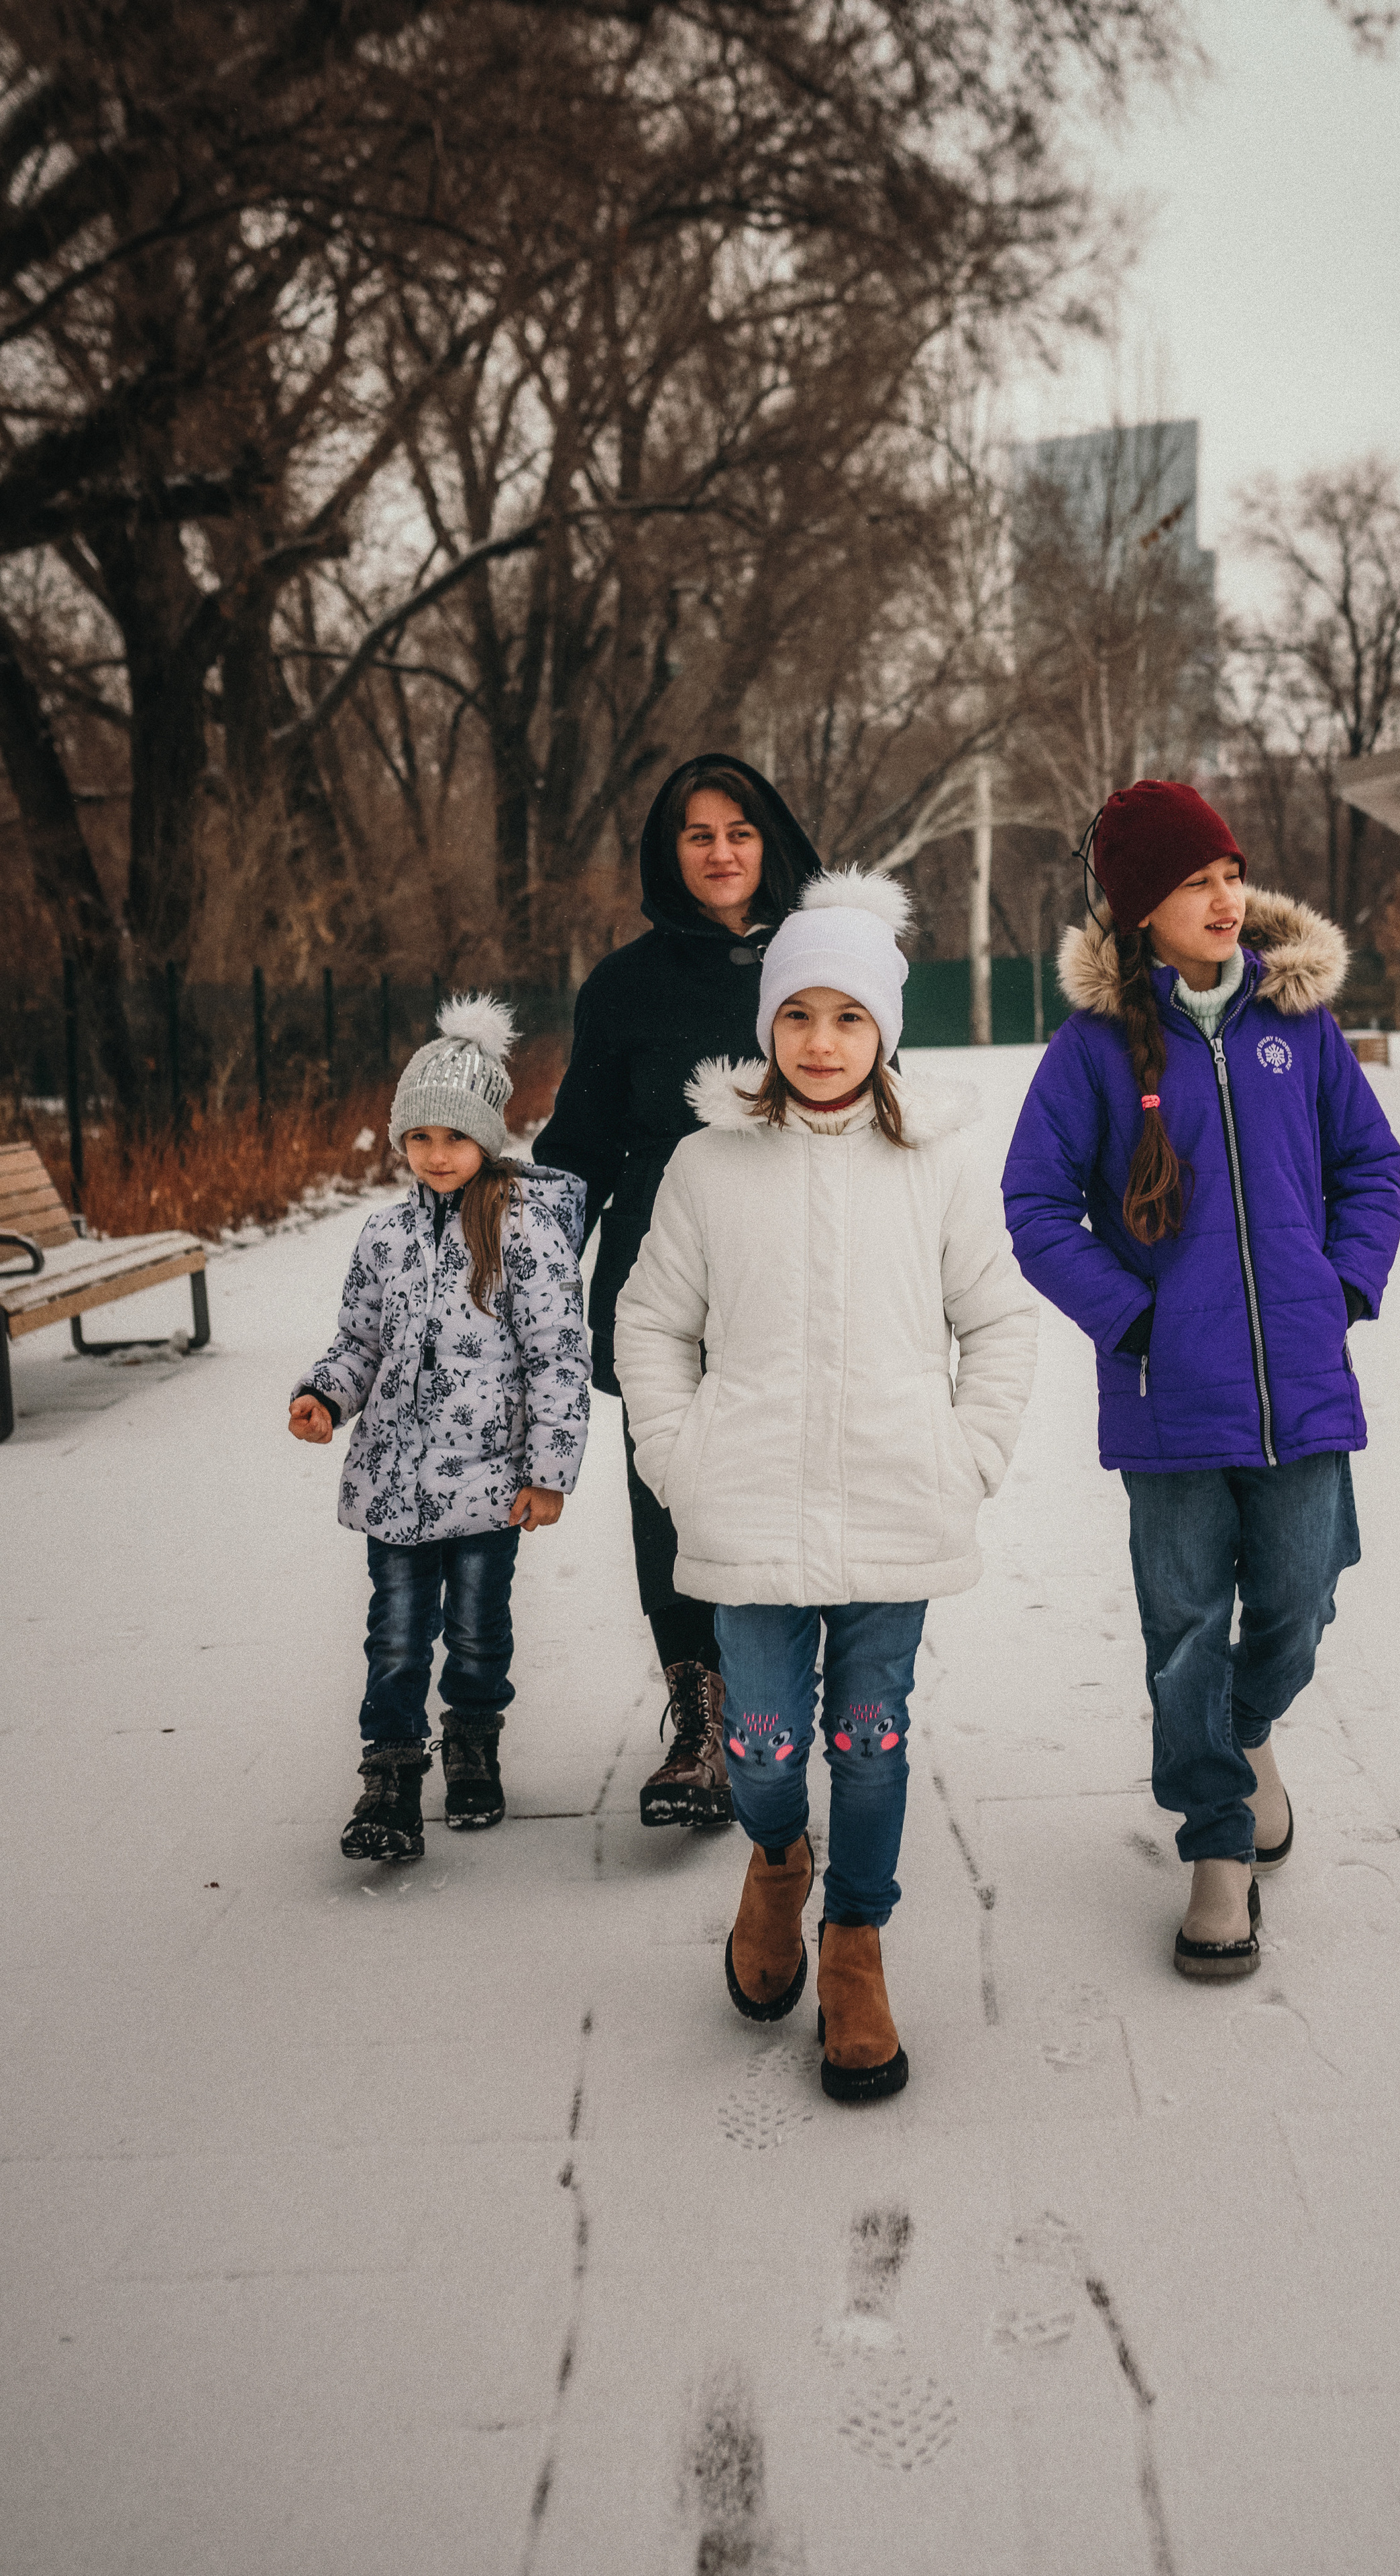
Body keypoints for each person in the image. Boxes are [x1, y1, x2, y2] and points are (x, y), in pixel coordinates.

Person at [614, 871, 1037, 2099]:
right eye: (798, 1015)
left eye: (848, 1017)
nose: (820, 1041)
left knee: (871, 1737)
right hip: (745, 1511)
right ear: (768, 1030)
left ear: (885, 1030)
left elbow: (1000, 1320)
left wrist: (970, 1455)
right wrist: (679, 1460)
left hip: (898, 1503)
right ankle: (777, 1861)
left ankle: (854, 1937)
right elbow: (650, 1324)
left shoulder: (941, 1165)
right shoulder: (711, 1165)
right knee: (760, 1745)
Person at [1002, 782, 1400, 1980]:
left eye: (1230, 871)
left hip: (1302, 1386)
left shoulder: (1300, 1027)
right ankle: (1218, 1849)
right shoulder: (1089, 1054)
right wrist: (1136, 1320)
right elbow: (1035, 1206)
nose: (1227, 897)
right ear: (1140, 913)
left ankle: (1244, 1736)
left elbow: (1370, 1163)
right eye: (1194, 882)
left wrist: (1339, 1288)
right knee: (1185, 1634)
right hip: (1169, 1401)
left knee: (1300, 1598)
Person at [534, 757, 822, 1829]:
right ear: (669, 853)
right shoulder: (625, 984)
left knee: (787, 1482)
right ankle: (699, 1720)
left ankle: (784, 1694)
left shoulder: (821, 965)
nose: (721, 852)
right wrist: (524, 1274)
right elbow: (579, 1147)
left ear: (771, 839)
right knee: (671, 1497)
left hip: (795, 1273)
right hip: (657, 1284)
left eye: (739, 830)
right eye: (697, 835)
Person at [290, 996, 590, 1862]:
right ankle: (388, 1772)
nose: (435, 1154)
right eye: (418, 1138)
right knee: (394, 1635)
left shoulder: (523, 1234)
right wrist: (326, 1395)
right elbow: (360, 1341)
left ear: (487, 1139)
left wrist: (549, 1471)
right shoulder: (384, 1240)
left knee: (475, 1632)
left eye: (454, 1138)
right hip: (394, 1484)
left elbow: (559, 1359)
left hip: (490, 1485)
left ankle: (471, 1741)